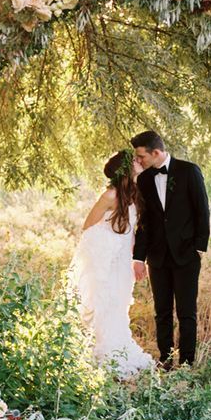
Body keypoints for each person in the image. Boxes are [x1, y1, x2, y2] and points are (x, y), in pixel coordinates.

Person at [67, 149, 155, 377]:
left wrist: (132, 250)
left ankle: (119, 347)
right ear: (126, 169)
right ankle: (104, 352)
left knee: (119, 303)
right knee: (105, 303)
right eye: (134, 160)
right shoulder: (109, 196)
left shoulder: (137, 193)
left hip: (124, 256)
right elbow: (88, 226)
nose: (139, 161)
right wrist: (110, 247)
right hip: (106, 257)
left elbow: (135, 227)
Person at [131, 131, 210, 369]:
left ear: (156, 153)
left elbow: (202, 210)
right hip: (157, 257)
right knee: (161, 312)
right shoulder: (144, 180)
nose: (139, 161)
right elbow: (144, 222)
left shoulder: (189, 171)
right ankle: (165, 360)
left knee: (187, 313)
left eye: (141, 156)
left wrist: (199, 248)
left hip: (186, 255)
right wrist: (138, 258)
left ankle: (186, 363)